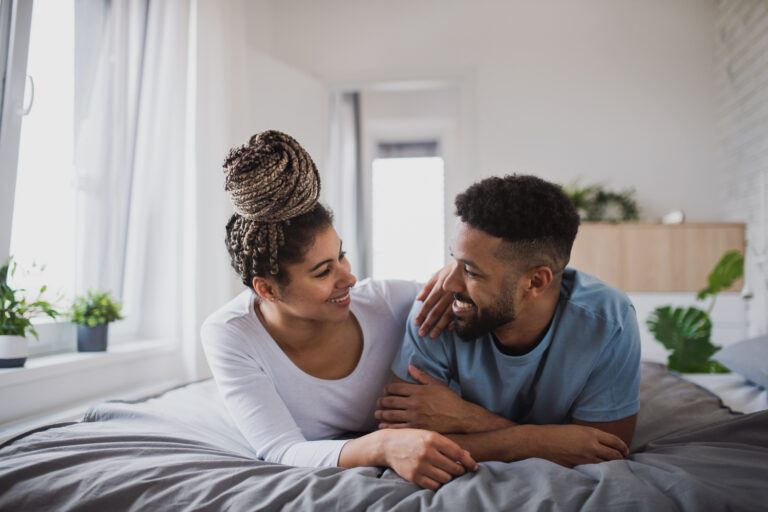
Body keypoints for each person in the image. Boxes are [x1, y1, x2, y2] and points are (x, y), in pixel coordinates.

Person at [201, 130, 476, 491]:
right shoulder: (231, 332)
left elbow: (473, 290)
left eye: (341, 255)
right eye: (323, 271)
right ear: (267, 289)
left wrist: (451, 274)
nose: (349, 277)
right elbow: (281, 448)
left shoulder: (386, 302)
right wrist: (383, 445)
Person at [376, 174, 641, 467]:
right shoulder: (435, 312)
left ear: (536, 281)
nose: (448, 284)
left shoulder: (607, 322)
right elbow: (401, 441)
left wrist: (469, 418)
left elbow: (602, 451)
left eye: (471, 271)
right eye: (454, 260)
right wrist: (539, 442)